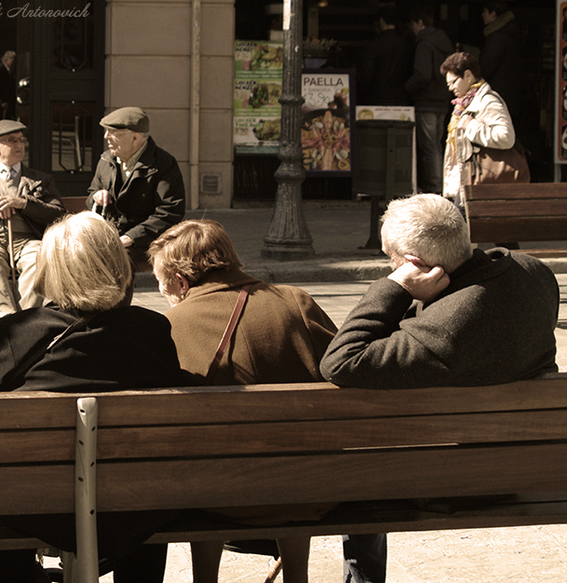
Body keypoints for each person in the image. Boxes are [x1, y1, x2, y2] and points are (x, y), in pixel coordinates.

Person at [320, 194, 560, 583]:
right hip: (531, 464)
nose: (390, 267)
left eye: (391, 260)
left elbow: (341, 361)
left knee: (359, 469)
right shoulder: (534, 273)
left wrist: (396, 287)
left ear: (414, 263)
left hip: (460, 479)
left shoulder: (445, 330)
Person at [0, 211, 199, 583]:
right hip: (133, 505)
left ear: (52, 270)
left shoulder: (16, 333)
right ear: (117, 265)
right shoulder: (151, 330)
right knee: (147, 487)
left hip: (37, 507)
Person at [147, 220, 339, 583]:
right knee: (293, 449)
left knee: (207, 454)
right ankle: (296, 576)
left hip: (218, 498)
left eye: (162, 281)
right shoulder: (296, 302)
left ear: (182, 282)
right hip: (311, 491)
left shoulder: (170, 326)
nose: (161, 291)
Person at [0, 120, 66, 328]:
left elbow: (59, 214)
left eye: (21, 140)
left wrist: (24, 203)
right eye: (12, 141)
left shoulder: (40, 179)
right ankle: (3, 324)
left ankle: (27, 324)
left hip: (28, 239)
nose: (19, 145)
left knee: (40, 256)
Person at [85, 106, 186, 272]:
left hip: (146, 241)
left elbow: (169, 212)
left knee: (118, 260)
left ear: (135, 137)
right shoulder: (106, 160)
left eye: (114, 132)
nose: (106, 137)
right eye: (106, 131)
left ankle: (110, 299)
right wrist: (96, 196)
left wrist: (132, 237)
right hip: (109, 237)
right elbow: (90, 197)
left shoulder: (164, 164)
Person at [440, 51, 518, 208]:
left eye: (453, 82)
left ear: (468, 75)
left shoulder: (487, 101)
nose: (450, 88)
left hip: (476, 185)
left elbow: (506, 137)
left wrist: (471, 126)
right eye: (448, 84)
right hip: (465, 185)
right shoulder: (463, 104)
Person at [405, 4, 455, 194]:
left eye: (412, 25)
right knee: (438, 144)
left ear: (420, 22)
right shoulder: (444, 41)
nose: (411, 29)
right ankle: (441, 183)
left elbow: (422, 75)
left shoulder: (424, 44)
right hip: (443, 99)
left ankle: (436, 186)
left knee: (430, 146)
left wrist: (408, 87)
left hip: (427, 100)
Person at [358, 6, 412, 106]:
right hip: (401, 98)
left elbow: (367, 73)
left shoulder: (374, 44)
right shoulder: (406, 45)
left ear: (382, 21)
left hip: (378, 98)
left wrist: (364, 93)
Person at [480, 0, 522, 121]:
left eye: (485, 12)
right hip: (509, 96)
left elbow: (486, 68)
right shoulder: (510, 34)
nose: (482, 15)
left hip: (497, 97)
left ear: (493, 14)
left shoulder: (497, 38)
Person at [0, 50, 18, 120]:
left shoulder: (10, 73)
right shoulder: (0, 70)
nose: (14, 64)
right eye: (13, 61)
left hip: (7, 107)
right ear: (6, 60)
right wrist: (0, 102)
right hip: (0, 107)